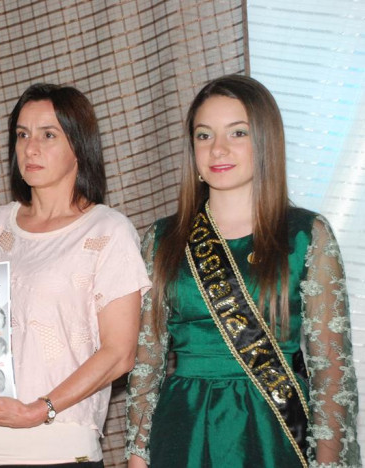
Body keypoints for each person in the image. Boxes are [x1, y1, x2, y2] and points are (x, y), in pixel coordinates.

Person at [125, 74, 361, 468]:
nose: (218, 148)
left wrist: (329, 462)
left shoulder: (306, 234)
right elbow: (147, 359)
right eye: (204, 135)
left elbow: (331, 369)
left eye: (237, 132)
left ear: (265, 141)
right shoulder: (162, 239)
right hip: (182, 431)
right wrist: (137, 452)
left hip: (275, 432)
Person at [0, 83, 150, 467]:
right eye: (22, 134)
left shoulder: (109, 231)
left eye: (48, 135)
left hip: (60, 448)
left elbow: (119, 354)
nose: (30, 148)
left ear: (80, 146)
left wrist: (38, 410)